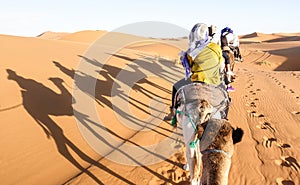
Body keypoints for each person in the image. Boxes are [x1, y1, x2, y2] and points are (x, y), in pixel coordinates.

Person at [164, 23, 225, 121]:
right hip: (214, 82)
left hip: (196, 82)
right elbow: (221, 66)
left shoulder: (190, 52)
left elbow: (189, 69)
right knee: (226, 98)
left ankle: (173, 114)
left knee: (175, 87)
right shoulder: (215, 47)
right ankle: (225, 118)